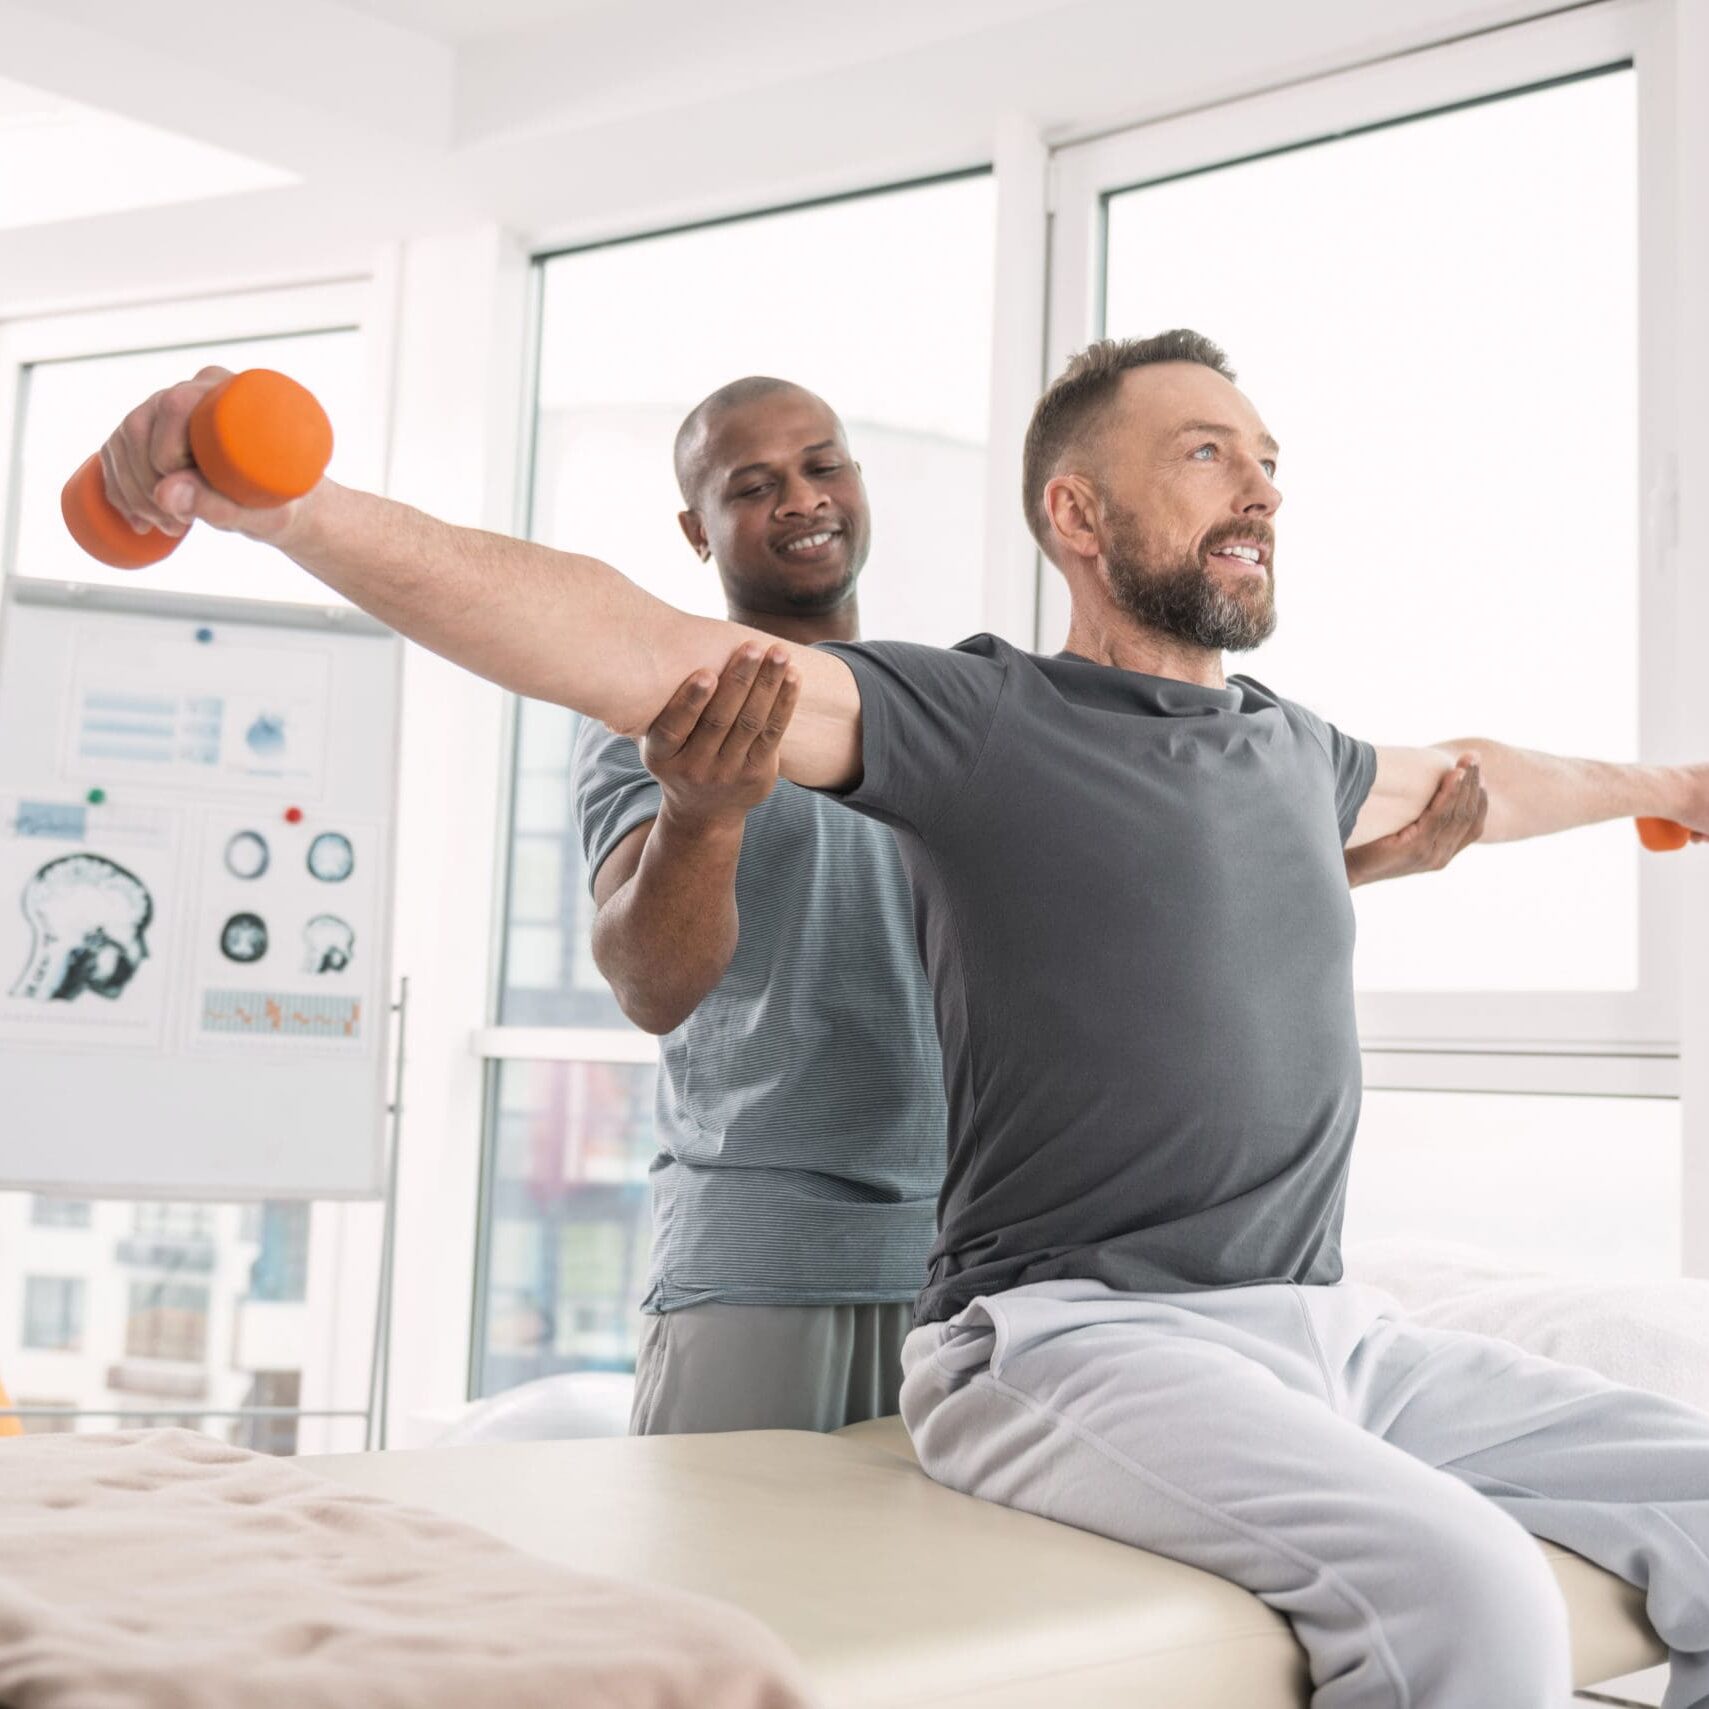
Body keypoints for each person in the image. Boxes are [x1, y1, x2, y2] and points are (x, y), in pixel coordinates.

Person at [96, 334, 1709, 1707]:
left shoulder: (1293, 755)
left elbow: (1485, 778)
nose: (1259, 485)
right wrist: (284, 499)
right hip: (1060, 1324)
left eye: (1266, 456)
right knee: (1472, 1594)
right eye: (1206, 451)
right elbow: (614, 641)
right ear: (1073, 513)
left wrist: (1665, 790)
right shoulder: (976, 712)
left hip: (1313, 1325)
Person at [573, 375, 1487, 1435]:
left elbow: (1102, 923)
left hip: (985, 1276)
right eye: (752, 484)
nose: (800, 498)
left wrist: (1352, 868)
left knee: (959, 1603)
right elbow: (650, 981)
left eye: (822, 466)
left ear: (858, 484)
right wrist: (700, 812)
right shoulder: (655, 717)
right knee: (728, 1591)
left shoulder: (950, 710)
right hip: (766, 1260)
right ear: (697, 529)